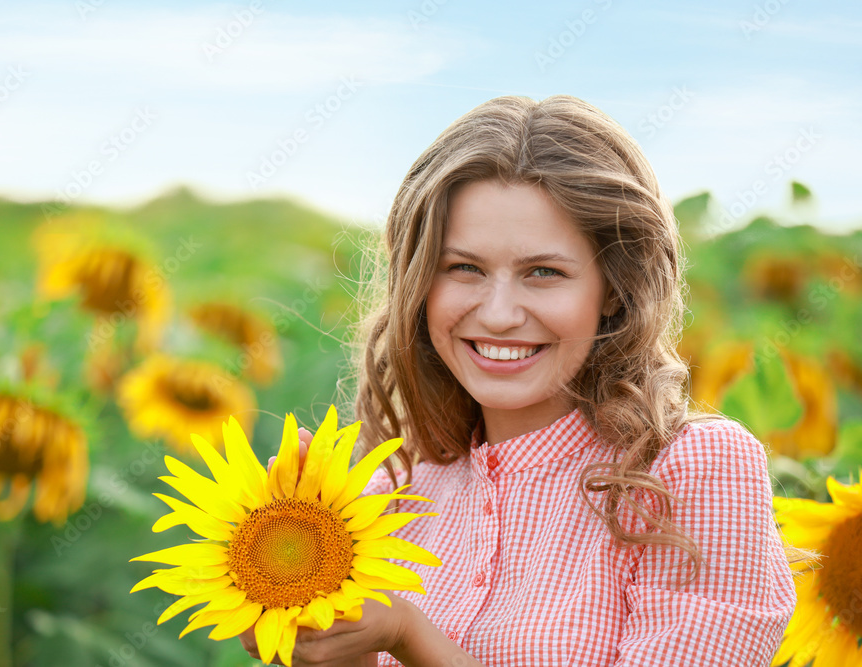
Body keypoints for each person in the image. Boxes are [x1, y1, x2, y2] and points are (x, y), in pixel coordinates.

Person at [239, 94, 797, 666]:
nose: (500, 312)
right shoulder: (392, 491)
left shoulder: (689, 471)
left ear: (614, 290)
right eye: (464, 268)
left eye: (544, 272)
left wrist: (409, 636)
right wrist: (326, 636)